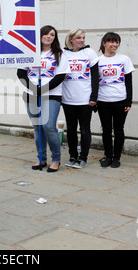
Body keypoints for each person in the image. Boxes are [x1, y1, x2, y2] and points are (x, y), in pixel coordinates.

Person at [17, 25, 69, 173]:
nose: (48, 37)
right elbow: (21, 73)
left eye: (52, 35)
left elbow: (60, 76)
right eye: (46, 34)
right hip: (31, 94)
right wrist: (34, 90)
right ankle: (41, 158)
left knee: (49, 127)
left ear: (55, 38)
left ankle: (56, 159)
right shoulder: (30, 52)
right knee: (37, 127)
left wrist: (42, 89)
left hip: (51, 94)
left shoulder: (59, 54)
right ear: (40, 36)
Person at [61, 29, 99, 169]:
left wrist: (94, 96)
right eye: (78, 38)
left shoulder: (89, 53)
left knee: (84, 129)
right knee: (71, 129)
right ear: (71, 39)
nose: (82, 40)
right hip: (68, 99)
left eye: (83, 38)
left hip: (85, 99)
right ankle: (72, 156)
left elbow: (95, 76)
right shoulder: (63, 54)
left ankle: (83, 157)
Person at [97, 32, 135, 168]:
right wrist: (94, 100)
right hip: (103, 100)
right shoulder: (98, 61)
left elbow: (129, 82)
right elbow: (94, 82)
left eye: (117, 42)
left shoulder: (124, 59)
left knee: (118, 130)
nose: (115, 45)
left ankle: (117, 157)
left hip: (120, 100)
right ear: (104, 43)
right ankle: (107, 156)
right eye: (112, 42)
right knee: (106, 130)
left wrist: (128, 101)